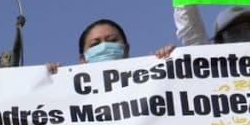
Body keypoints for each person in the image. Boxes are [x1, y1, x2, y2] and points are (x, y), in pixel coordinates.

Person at [46, 19, 175, 73]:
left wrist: (171, 63)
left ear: (126, 49)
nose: (104, 47)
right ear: (83, 59)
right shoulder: (68, 91)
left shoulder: (149, 80)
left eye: (112, 40)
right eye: (95, 44)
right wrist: (46, 80)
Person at [175, 5, 250, 46]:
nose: (247, 36)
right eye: (236, 33)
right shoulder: (211, 65)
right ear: (219, 41)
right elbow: (191, 31)